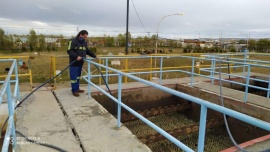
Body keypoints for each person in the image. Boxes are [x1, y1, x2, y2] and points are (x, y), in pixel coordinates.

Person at [67, 30, 98, 97]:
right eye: (84, 37)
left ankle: (77, 88)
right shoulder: (73, 41)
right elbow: (70, 51)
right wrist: (76, 56)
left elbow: (87, 51)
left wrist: (94, 56)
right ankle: (74, 91)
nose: (85, 38)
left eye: (85, 37)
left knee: (78, 77)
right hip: (74, 63)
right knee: (74, 78)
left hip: (80, 63)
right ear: (80, 35)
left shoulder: (84, 43)